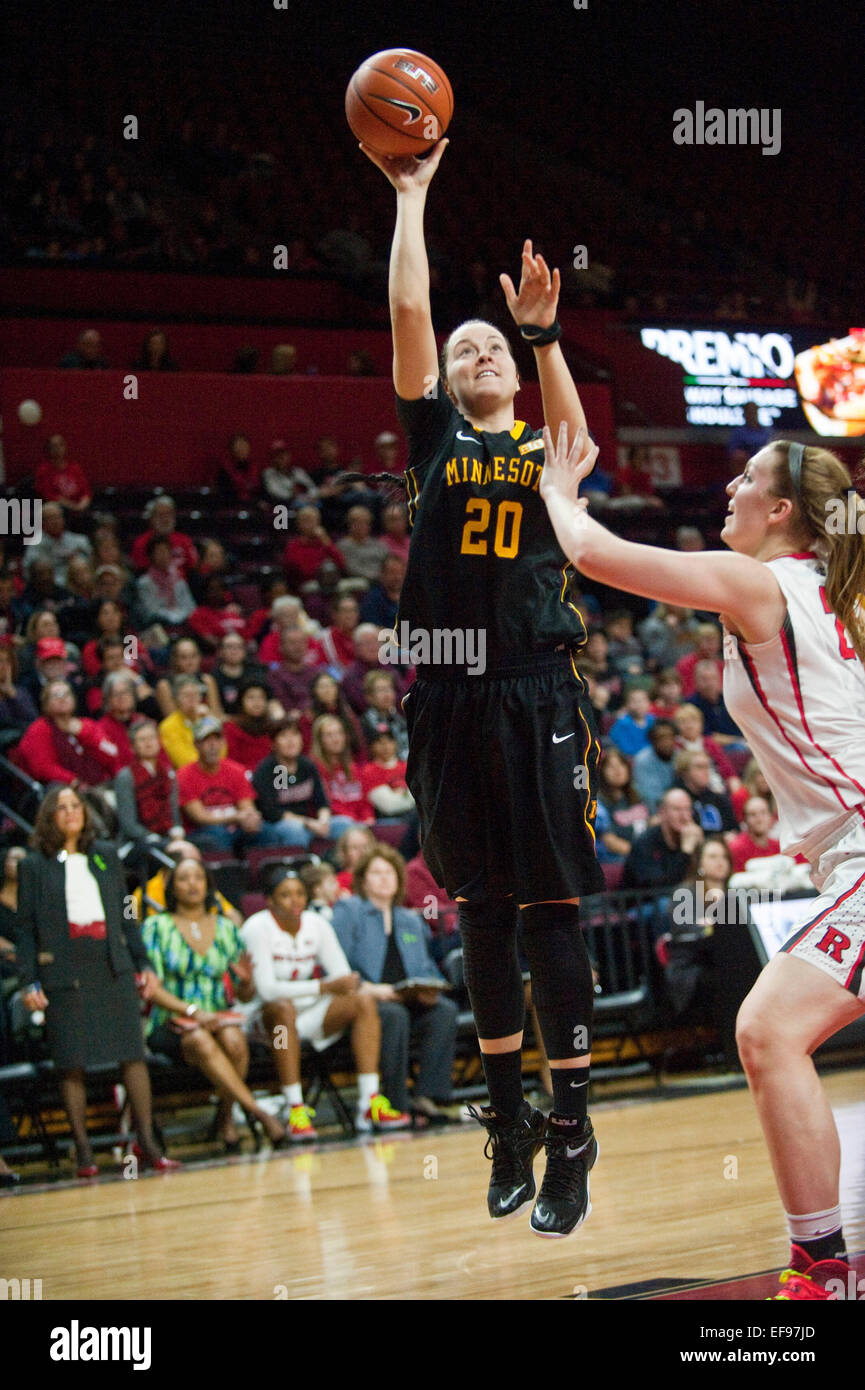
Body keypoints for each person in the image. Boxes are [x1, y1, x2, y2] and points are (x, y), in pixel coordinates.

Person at [540, 426, 865, 1298]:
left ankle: (822, 1270)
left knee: (767, 1031)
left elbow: (594, 552)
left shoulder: (759, 582)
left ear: (783, 510)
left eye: (747, 477)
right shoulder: (831, 599)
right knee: (773, 1035)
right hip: (846, 855)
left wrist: (555, 483)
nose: (730, 486)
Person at [360, 136, 603, 1236]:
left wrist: (545, 334)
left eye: (490, 346)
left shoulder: (545, 449)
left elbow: (575, 433)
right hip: (451, 698)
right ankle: (504, 1123)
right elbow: (410, 318)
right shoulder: (435, 441)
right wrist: (413, 200)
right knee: (484, 913)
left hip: (538, 692)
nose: (475, 354)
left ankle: (571, 1133)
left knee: (551, 911)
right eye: (466, 350)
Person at [17, 787, 178, 1176]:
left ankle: (150, 1145)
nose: (71, 813)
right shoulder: (34, 865)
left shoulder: (105, 855)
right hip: (64, 968)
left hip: (111, 963)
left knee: (132, 1054)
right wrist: (29, 981)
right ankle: (85, 1152)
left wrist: (142, 960)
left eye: (77, 806)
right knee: (71, 1060)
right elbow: (26, 929)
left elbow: (127, 911)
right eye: (62, 808)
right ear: (48, 817)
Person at [241, 868, 410, 1138]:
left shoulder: (316, 923)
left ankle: (369, 1102)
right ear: (270, 901)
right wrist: (323, 987)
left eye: (299, 893)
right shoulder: (256, 928)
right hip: (267, 1025)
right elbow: (268, 990)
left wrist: (339, 985)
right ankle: (295, 1108)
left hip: (307, 1015)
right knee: (282, 1009)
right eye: (285, 895)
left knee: (362, 1001)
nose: (294, 901)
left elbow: (342, 976)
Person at [142, 858, 287, 1151]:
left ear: (208, 885)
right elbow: (150, 989)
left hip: (219, 1019)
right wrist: (193, 1012)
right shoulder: (156, 927)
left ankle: (225, 1119)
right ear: (172, 888)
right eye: (184, 878)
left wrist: (246, 983)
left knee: (234, 1039)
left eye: (198, 877)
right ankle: (258, 1113)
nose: (192, 884)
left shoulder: (226, 928)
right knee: (199, 1038)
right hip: (172, 1023)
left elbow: (245, 997)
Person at [333, 844, 458, 1122]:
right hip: (367, 1003)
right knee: (394, 1015)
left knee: (444, 1011)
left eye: (389, 872)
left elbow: (427, 967)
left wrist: (432, 988)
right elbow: (336, 966)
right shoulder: (349, 910)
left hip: (407, 998)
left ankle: (426, 1097)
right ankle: (395, 1103)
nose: (384, 878)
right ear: (363, 880)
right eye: (376, 873)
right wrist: (370, 989)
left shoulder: (410, 920)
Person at [728, 795, 781, 874]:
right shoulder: (736, 848)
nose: (759, 819)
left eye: (763, 813)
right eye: (753, 814)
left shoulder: (779, 847)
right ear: (745, 820)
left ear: (771, 817)